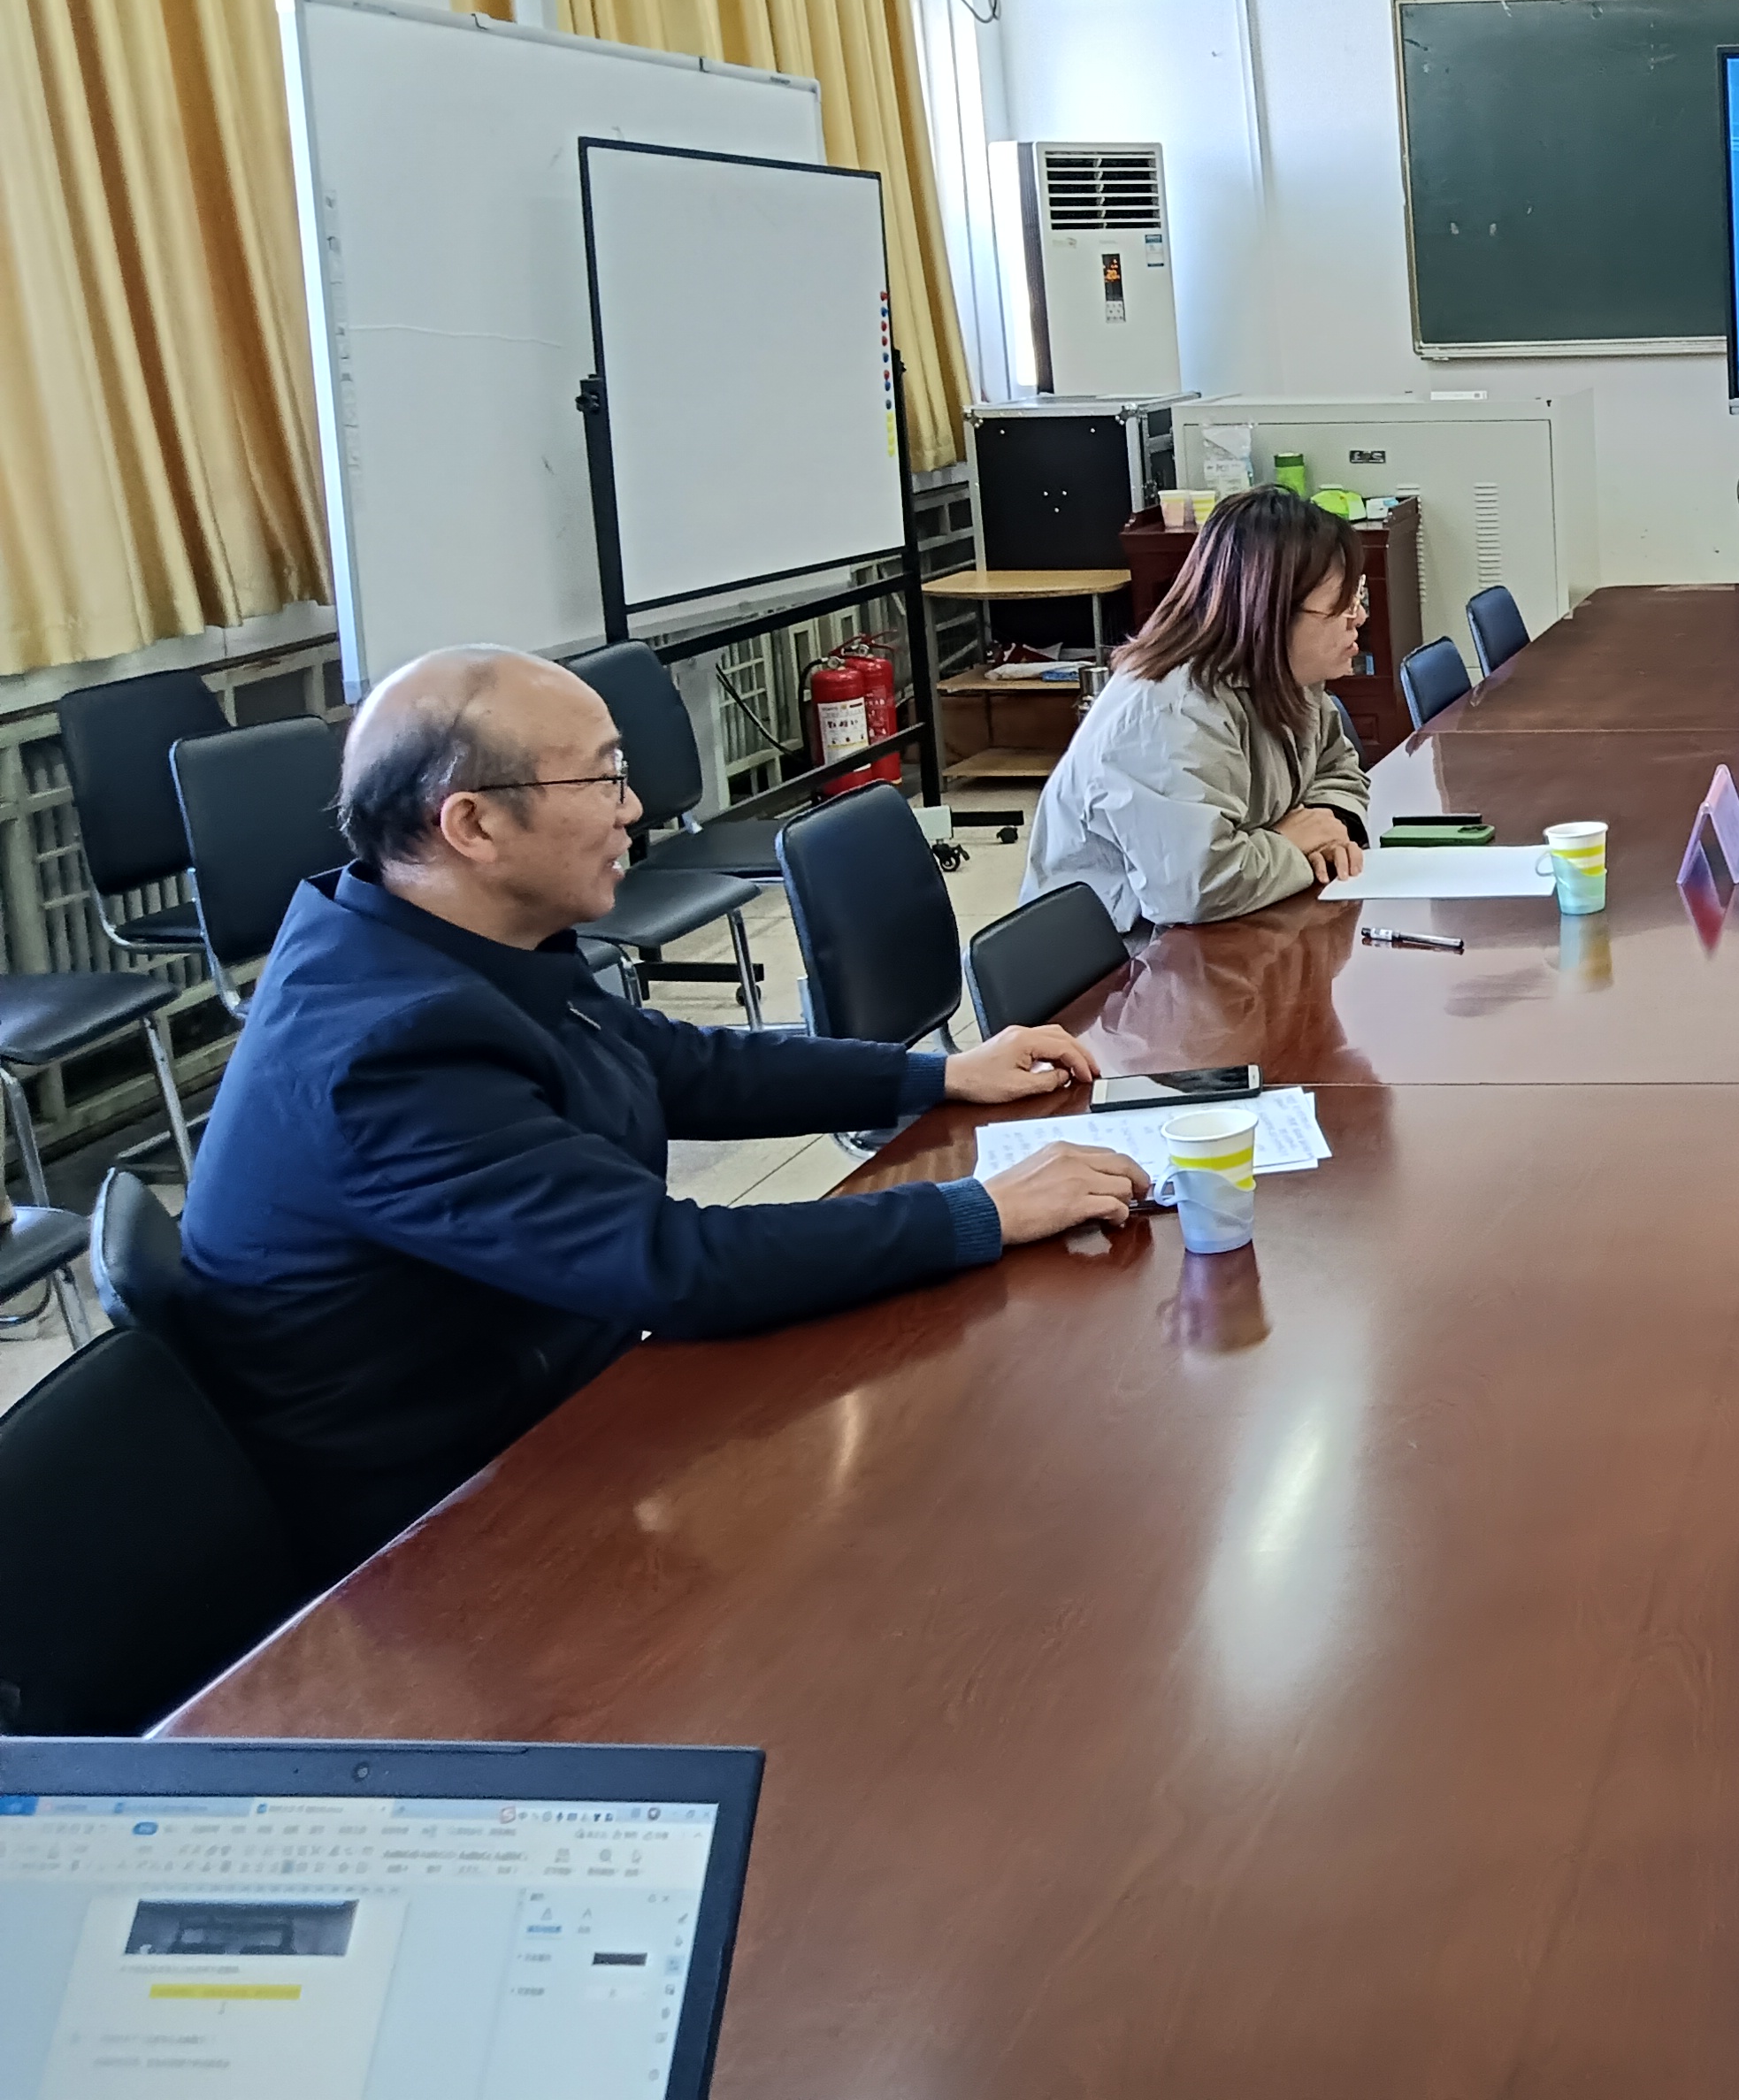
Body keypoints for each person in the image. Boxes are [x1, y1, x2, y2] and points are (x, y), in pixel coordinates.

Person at [178, 648, 1148, 1580]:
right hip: (450, 1520)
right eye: (602, 779)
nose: (633, 809)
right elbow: (672, 1264)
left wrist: (935, 1079)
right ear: (472, 824)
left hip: (564, 1390)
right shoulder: (390, 1046)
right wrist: (984, 1209)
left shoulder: (442, 935)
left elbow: (677, 1064)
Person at [1024, 486, 1374, 927]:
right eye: (1342, 606)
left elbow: (1337, 766)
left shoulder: (1286, 675)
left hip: (1232, 918)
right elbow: (1195, 887)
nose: (1360, 617)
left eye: (1357, 596)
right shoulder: (1171, 711)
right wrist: (1289, 845)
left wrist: (1328, 828)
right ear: (1269, 613)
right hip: (1126, 953)